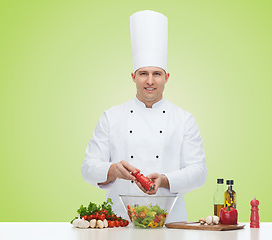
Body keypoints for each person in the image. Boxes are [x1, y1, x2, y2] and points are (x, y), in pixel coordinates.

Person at [81, 10, 207, 223]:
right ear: (133, 77)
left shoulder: (184, 119)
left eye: (156, 74)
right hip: (119, 223)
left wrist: (165, 179)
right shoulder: (111, 117)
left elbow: (199, 172)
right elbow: (87, 168)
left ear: (166, 77)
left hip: (171, 224)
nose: (150, 81)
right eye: (143, 74)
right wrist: (112, 170)